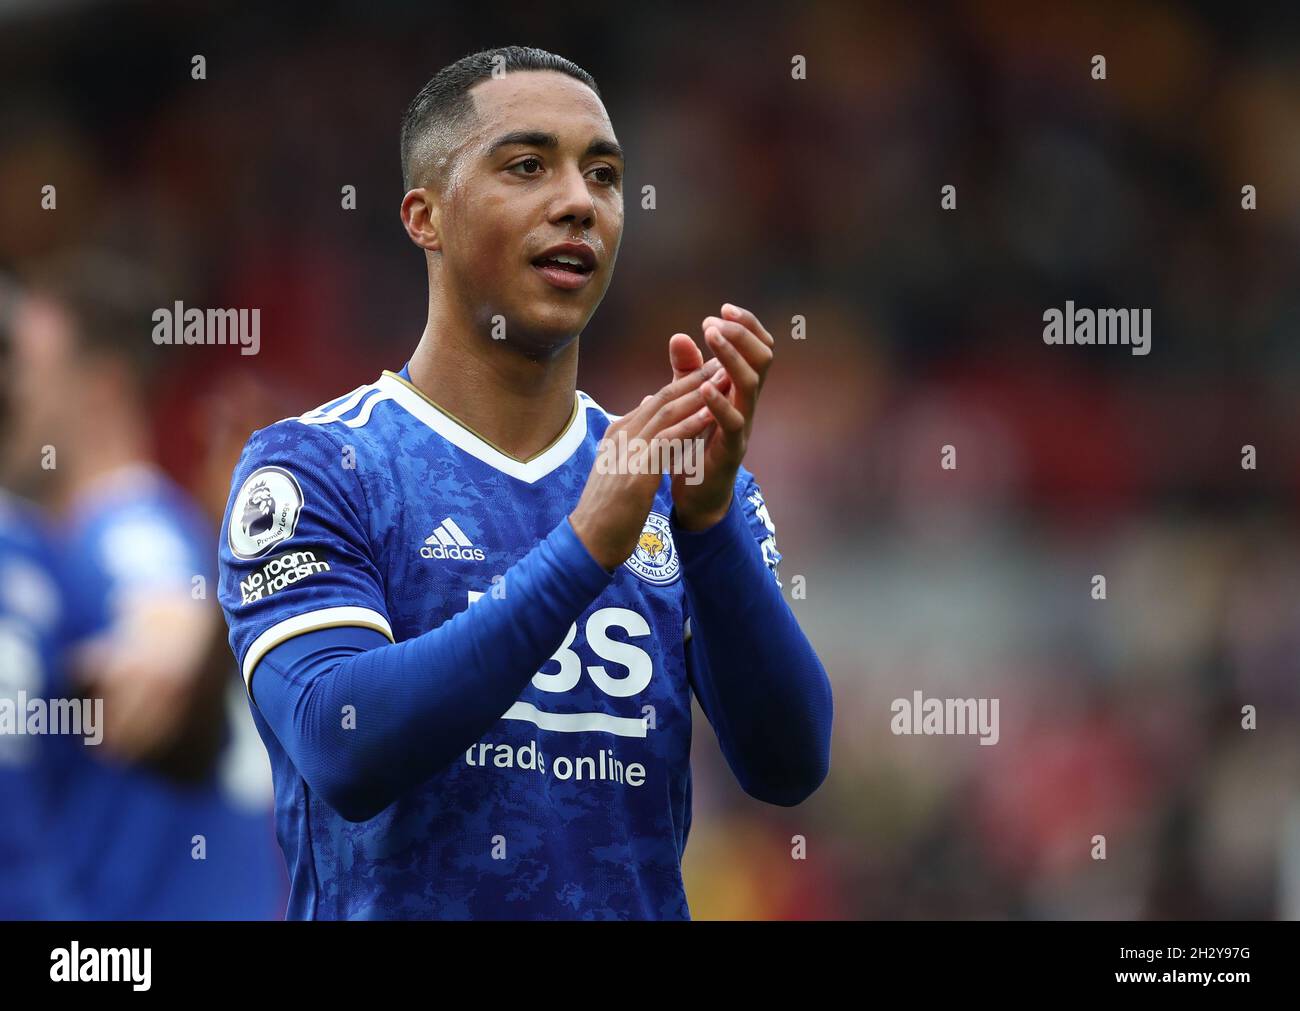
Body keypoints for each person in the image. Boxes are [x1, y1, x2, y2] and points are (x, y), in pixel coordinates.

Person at [217, 45, 833, 920]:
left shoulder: (672, 477)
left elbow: (790, 765)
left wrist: (708, 523)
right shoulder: (318, 466)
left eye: (605, 174)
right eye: (528, 165)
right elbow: (340, 743)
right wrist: (580, 552)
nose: (579, 201)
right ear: (424, 216)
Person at [5, 255, 285, 919]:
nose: (10, 393)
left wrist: (158, 657)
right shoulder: (112, 530)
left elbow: (162, 618)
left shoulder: (130, 531)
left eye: (27, 370)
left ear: (100, 389)